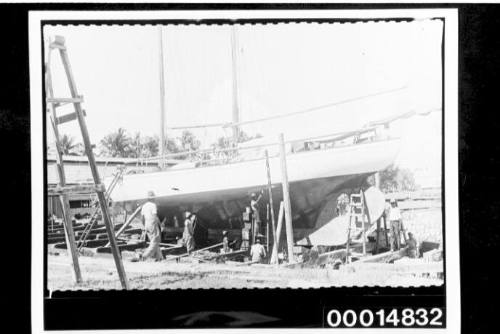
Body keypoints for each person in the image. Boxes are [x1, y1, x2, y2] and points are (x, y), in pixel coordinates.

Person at [140, 191, 163, 261]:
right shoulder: (153, 205)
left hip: (147, 223)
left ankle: (159, 257)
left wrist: (144, 225)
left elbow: (142, 217)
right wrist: (160, 224)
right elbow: (154, 216)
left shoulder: (144, 206)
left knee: (153, 242)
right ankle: (145, 256)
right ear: (153, 198)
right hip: (152, 223)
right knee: (156, 240)